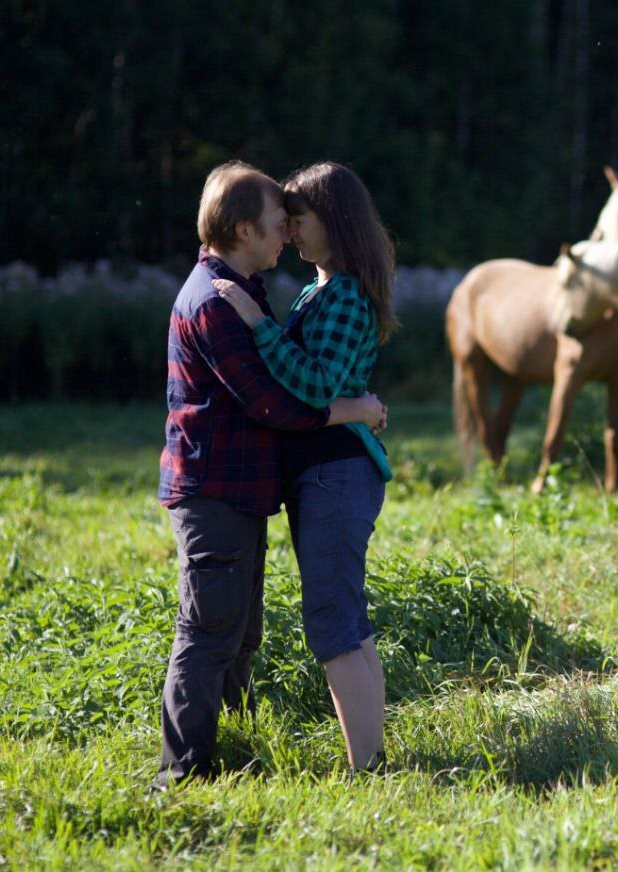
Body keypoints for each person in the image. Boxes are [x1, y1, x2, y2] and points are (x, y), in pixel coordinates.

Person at [157, 161, 386, 787]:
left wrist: (352, 408)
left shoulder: (262, 296)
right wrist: (356, 408)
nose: (286, 234)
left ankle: (367, 765)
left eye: (295, 221)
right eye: (277, 224)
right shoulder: (225, 300)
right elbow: (277, 401)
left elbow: (302, 385)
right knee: (220, 629)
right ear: (241, 230)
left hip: (303, 479)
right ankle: (185, 771)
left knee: (302, 622)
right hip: (229, 487)